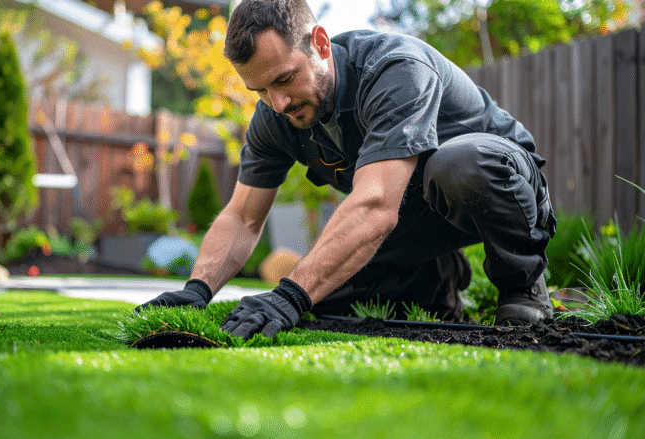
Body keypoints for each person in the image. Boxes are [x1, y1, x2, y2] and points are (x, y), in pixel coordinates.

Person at [140, 0, 556, 339]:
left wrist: (290, 294)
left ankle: (522, 286)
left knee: (456, 165)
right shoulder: (275, 115)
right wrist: (198, 288)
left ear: (320, 43)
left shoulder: (395, 69)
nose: (276, 102)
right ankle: (437, 283)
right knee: (325, 298)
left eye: (284, 79)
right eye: (260, 90)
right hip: (411, 213)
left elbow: (376, 205)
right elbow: (243, 216)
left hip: (498, 182)